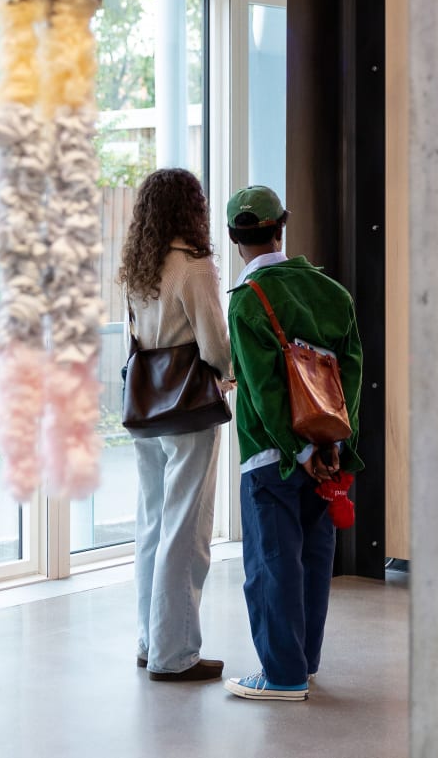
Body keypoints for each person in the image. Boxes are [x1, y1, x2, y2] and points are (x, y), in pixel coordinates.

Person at [222, 185, 364, 702]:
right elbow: (350, 379)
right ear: (282, 225)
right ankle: (303, 662)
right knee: (312, 557)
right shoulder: (333, 293)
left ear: (236, 238)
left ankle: (281, 676)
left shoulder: (247, 301)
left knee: (271, 562)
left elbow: (262, 394)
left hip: (271, 457)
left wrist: (297, 451)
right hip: (329, 456)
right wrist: (330, 449)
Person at [118, 168, 233, 682]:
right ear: (193, 207)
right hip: (188, 408)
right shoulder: (194, 265)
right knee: (186, 533)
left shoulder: (138, 265)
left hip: (146, 406)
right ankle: (175, 654)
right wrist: (227, 375)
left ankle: (149, 642)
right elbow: (213, 343)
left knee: (153, 527)